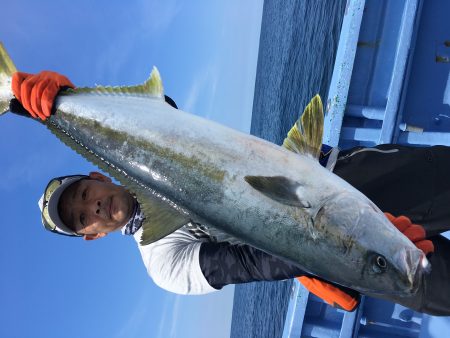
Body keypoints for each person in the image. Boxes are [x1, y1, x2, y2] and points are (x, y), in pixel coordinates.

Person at [11, 71, 450, 316]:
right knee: (435, 290)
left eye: (85, 193)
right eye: (81, 217)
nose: (93, 206)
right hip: (334, 246)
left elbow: (161, 120)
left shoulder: (140, 152)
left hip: (337, 184)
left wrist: (58, 100)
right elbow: (251, 261)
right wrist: (350, 245)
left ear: (97, 176)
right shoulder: (164, 262)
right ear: (93, 235)